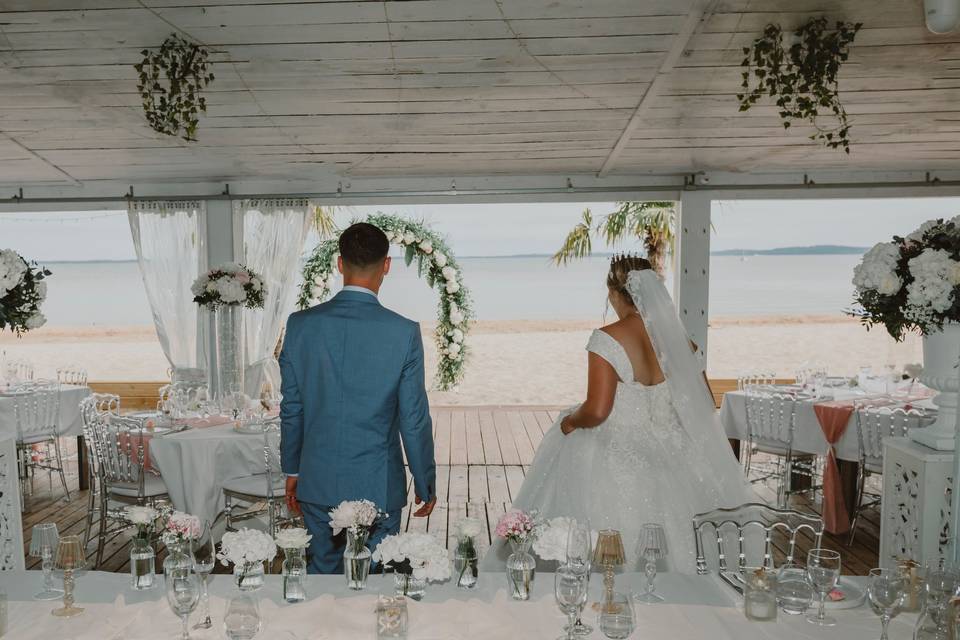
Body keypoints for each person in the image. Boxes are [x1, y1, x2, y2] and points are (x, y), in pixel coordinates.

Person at [483, 254, 752, 573]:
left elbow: (597, 411)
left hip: (617, 456)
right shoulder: (682, 342)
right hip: (673, 457)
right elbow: (704, 402)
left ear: (613, 292)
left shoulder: (607, 339)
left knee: (598, 541)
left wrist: (570, 422)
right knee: (677, 542)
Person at [279, 222, 437, 574]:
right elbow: (413, 418)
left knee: (322, 576)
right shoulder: (404, 332)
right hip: (378, 484)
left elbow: (292, 408)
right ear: (386, 265)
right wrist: (424, 480)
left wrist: (292, 468)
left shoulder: (300, 325)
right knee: (379, 578)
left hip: (318, 479)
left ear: (339, 264)